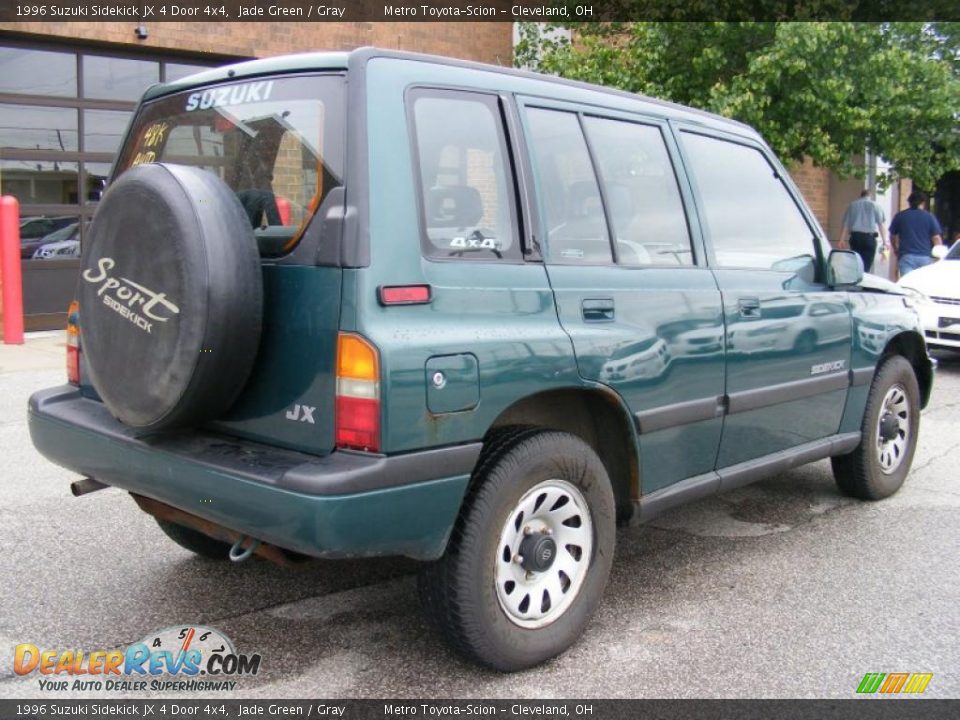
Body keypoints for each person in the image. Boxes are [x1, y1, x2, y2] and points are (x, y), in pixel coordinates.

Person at [889, 191, 943, 276]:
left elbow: (892, 236)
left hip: (906, 256)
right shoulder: (929, 217)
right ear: (923, 203)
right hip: (925, 257)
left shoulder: (900, 216)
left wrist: (896, 249)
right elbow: (936, 238)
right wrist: (938, 255)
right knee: (923, 282)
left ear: (909, 202)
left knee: (907, 281)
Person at [839, 189, 887, 273]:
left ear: (861, 196)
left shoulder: (852, 205)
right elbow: (881, 225)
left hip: (855, 237)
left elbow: (846, 224)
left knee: (856, 263)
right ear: (870, 196)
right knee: (866, 265)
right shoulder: (875, 205)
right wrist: (884, 242)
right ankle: (864, 275)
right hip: (869, 238)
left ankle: (857, 276)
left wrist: (841, 239)